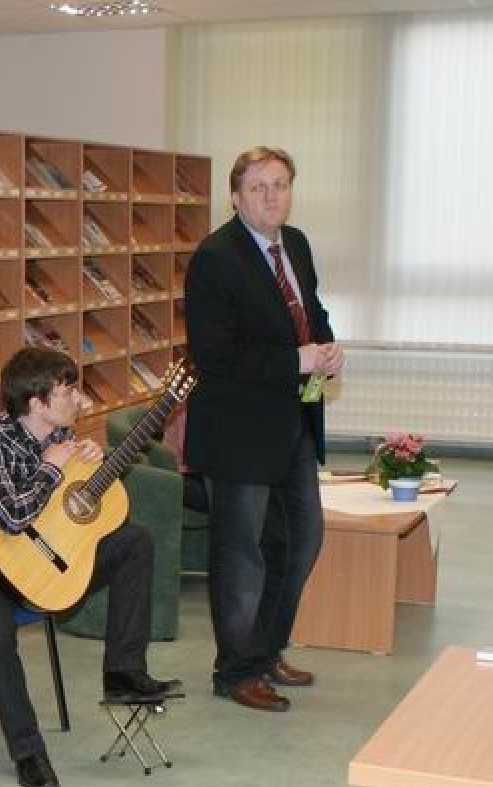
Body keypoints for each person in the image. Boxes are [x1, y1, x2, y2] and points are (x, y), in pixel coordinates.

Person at [0, 346, 177, 787]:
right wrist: (53, 467)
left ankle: (123, 672)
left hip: (43, 563)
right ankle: (28, 752)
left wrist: (91, 465)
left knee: (135, 542)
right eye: (68, 391)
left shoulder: (60, 434)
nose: (78, 399)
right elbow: (12, 517)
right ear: (37, 403)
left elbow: (72, 512)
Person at [183, 146, 345, 713]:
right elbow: (214, 353)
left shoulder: (294, 243)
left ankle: (266, 649)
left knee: (301, 538)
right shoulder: (214, 258)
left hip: (293, 421)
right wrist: (296, 359)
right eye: (258, 187)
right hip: (238, 433)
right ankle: (234, 672)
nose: (272, 196)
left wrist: (327, 347)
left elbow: (310, 312)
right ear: (235, 196)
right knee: (241, 556)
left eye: (280, 185)